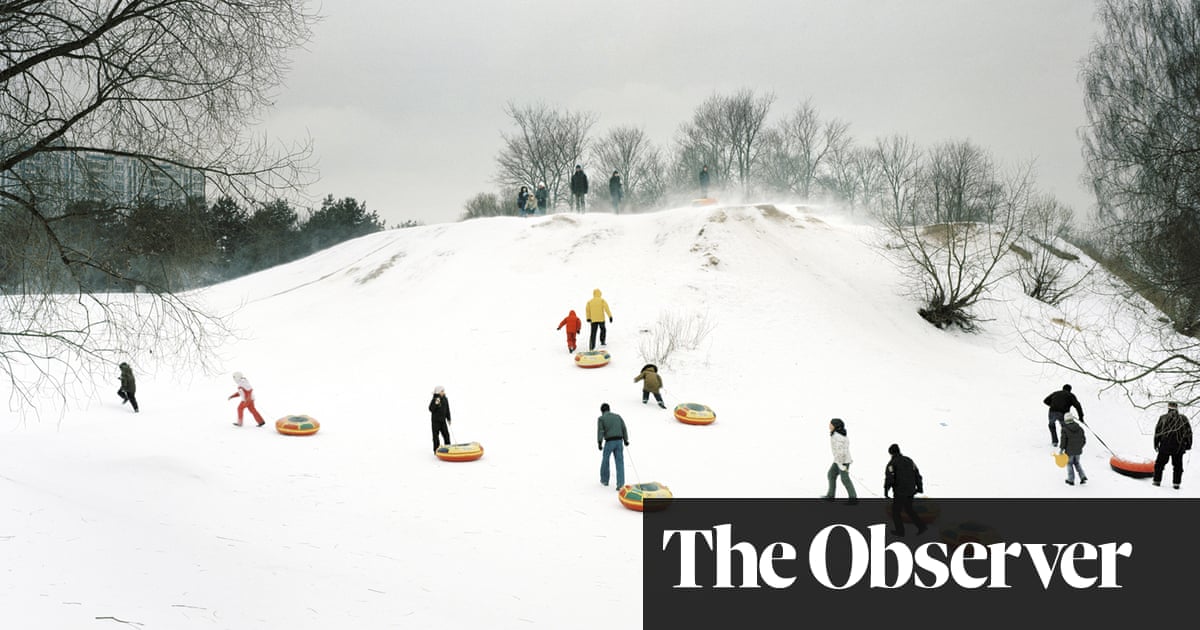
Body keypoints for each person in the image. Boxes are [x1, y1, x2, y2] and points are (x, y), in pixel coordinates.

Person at [883, 444, 925, 536]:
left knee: (896, 512)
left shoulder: (891, 464)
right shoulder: (909, 460)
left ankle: (900, 531)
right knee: (909, 509)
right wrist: (919, 487)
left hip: (900, 492)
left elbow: (890, 478)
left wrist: (886, 491)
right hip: (911, 490)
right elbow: (917, 474)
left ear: (890, 453)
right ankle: (921, 526)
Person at [1153, 401, 1193, 489]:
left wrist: (1156, 444)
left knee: (1159, 464)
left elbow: (1158, 432)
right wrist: (1188, 445)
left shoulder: (1163, 418)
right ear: (1177, 408)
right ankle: (1176, 484)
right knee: (1178, 466)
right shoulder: (1183, 419)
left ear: (1168, 408)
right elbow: (1189, 433)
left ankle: (1156, 481)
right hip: (1179, 447)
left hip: (1165, 446)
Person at [822, 418, 857, 505]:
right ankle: (830, 495)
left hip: (843, 461)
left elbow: (842, 452)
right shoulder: (836, 435)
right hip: (838, 460)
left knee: (845, 479)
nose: (829, 426)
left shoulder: (838, 437)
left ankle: (853, 498)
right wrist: (838, 462)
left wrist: (842, 464)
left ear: (836, 426)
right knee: (831, 474)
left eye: (831, 424)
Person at [597, 402, 629, 489]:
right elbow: (624, 428)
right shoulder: (617, 416)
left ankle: (604, 480)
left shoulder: (601, 418)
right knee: (620, 462)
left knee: (605, 461)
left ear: (602, 411)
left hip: (609, 442)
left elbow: (601, 431)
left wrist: (599, 442)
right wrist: (626, 440)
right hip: (619, 441)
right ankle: (620, 484)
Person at [1059, 412, 1088, 486]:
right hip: (1078, 451)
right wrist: (1080, 447)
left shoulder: (1064, 429)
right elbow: (1084, 440)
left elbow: (1063, 441)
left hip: (1069, 452)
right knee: (1077, 463)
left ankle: (1071, 480)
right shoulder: (1080, 428)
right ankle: (1083, 476)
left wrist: (1061, 450)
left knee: (1069, 464)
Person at [429, 385, 452, 453]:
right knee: (435, 436)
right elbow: (430, 409)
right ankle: (436, 450)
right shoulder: (435, 399)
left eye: (443, 391)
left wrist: (449, 418)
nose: (443, 392)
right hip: (435, 421)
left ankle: (448, 448)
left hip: (443, 421)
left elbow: (447, 409)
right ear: (438, 392)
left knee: (446, 435)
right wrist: (436, 404)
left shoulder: (445, 399)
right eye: (442, 391)